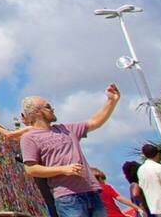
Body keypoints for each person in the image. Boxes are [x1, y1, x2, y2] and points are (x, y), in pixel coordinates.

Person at [19, 84, 122, 217]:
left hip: (92, 191)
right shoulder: (29, 137)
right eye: (48, 106)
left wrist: (111, 101)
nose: (52, 109)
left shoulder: (66, 129)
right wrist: (64, 169)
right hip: (67, 197)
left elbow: (94, 122)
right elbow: (31, 169)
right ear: (37, 112)